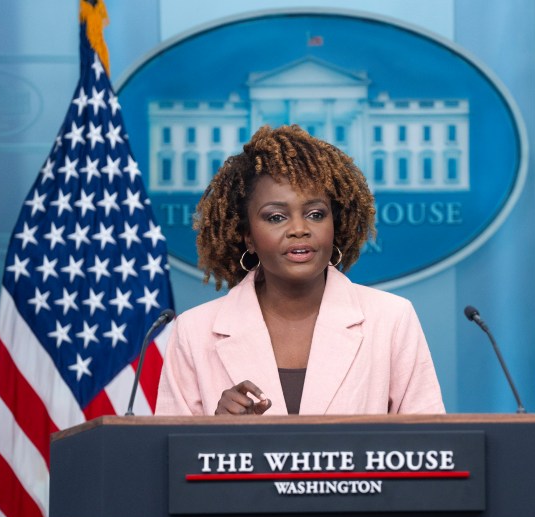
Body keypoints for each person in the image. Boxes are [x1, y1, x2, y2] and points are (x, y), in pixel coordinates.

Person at [156, 124, 444, 416]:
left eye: (315, 214)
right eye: (276, 217)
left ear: (335, 224)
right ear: (248, 237)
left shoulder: (392, 319)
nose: (299, 229)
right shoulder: (194, 331)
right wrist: (214, 432)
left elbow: (431, 448)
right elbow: (166, 457)